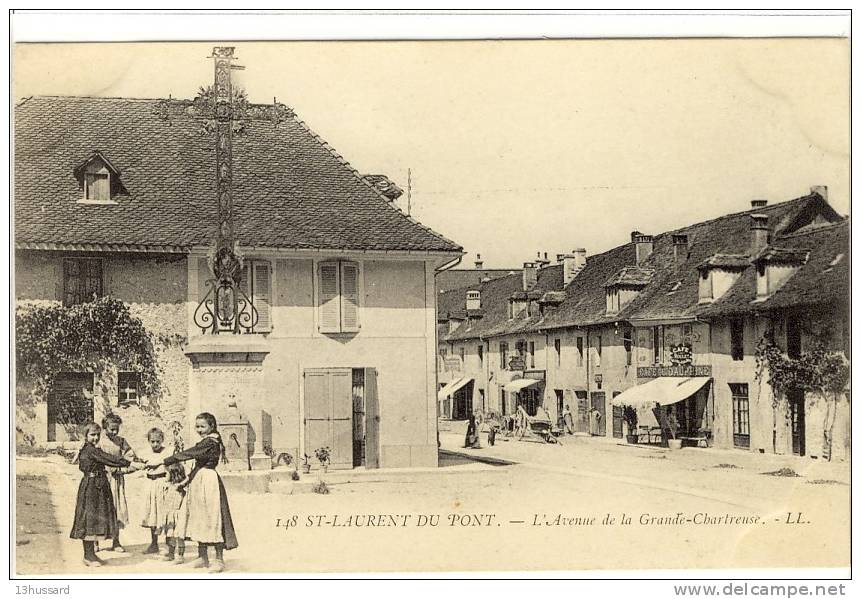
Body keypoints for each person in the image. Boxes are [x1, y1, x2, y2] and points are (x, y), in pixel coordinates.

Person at [151, 412, 238, 574]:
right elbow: (197, 465)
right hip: (199, 480)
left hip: (209, 481)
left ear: (211, 426)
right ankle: (202, 556)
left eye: (202, 426)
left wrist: (165, 460)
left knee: (213, 517)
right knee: (198, 516)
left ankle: (218, 559)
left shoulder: (211, 442)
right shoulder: (205, 442)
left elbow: (190, 453)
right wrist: (187, 480)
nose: (199, 429)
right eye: (197, 426)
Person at [70, 422, 144, 567]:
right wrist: (130, 464)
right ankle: (88, 556)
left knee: (95, 519)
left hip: (97, 485)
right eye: (92, 435)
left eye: (97, 434)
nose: (96, 437)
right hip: (91, 487)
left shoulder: (91, 449)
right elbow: (108, 458)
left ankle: (92, 554)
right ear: (85, 436)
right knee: (89, 519)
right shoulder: (90, 450)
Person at [97, 413, 137, 552]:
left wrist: (121, 469)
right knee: (100, 508)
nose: (114, 432)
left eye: (116, 429)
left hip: (115, 480)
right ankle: (96, 541)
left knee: (116, 508)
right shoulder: (99, 441)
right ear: (104, 427)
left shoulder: (121, 442)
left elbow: (131, 457)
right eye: (111, 429)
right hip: (101, 479)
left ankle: (116, 541)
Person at [138, 427, 170, 555]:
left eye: (158, 441)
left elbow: (169, 468)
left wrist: (167, 483)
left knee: (165, 513)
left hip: (162, 483)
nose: (155, 444)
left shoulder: (167, 452)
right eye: (152, 441)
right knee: (152, 512)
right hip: (150, 484)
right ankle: (154, 543)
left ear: (162, 440)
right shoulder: (145, 453)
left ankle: (169, 544)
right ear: (149, 441)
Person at [162, 462, 189, 564]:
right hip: (170, 514)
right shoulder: (168, 485)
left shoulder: (180, 488)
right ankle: (171, 554)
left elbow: (188, 478)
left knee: (179, 536)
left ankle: (180, 556)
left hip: (178, 514)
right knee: (170, 535)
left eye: (168, 474)